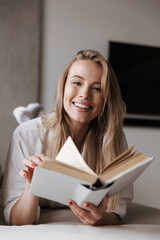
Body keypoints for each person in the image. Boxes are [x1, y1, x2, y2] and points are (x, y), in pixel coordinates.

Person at [1, 49, 133, 226]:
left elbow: (116, 211)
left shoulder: (112, 139)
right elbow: (18, 221)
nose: (84, 94)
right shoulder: (25, 136)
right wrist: (33, 185)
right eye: (77, 82)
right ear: (63, 86)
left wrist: (100, 219)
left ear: (107, 99)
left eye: (97, 88)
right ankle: (33, 115)